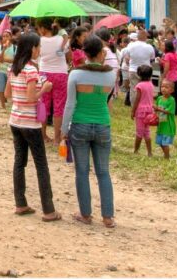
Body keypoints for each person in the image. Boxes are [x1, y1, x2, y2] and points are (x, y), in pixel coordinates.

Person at [62, 35, 117, 227]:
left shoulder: (75, 75)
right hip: (103, 124)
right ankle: (108, 216)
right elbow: (107, 99)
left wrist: (63, 129)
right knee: (104, 172)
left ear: (84, 52)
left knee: (82, 172)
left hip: (80, 124)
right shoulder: (110, 75)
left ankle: (85, 214)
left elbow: (70, 104)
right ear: (101, 53)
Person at [4, 31, 59, 222]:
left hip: (15, 120)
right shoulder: (31, 71)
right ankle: (49, 210)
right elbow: (30, 99)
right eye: (38, 47)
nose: (40, 50)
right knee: (41, 165)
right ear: (32, 48)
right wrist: (44, 89)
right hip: (30, 123)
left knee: (20, 161)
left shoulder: (14, 69)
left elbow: (7, 94)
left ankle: (21, 203)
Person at [37, 19, 68, 145]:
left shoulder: (39, 41)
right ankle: (56, 138)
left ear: (43, 29)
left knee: (43, 104)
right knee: (59, 106)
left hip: (44, 73)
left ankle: (43, 135)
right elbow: (66, 53)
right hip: (61, 73)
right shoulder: (61, 39)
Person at [124, 30, 157, 107]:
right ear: (145, 37)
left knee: (134, 89)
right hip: (146, 71)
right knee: (146, 89)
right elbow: (152, 59)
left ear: (137, 37)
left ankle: (134, 106)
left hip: (133, 70)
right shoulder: (150, 47)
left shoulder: (130, 46)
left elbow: (126, 58)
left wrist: (129, 64)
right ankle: (145, 104)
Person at [130, 64, 156, 156]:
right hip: (149, 110)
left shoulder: (139, 85)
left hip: (141, 111)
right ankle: (149, 152)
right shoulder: (151, 84)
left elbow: (137, 99)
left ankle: (136, 150)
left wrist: (133, 110)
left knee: (139, 132)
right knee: (147, 132)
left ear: (139, 74)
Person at [155, 80, 177, 159]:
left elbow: (168, 111)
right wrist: (155, 115)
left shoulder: (171, 100)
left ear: (172, 90)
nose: (163, 89)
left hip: (168, 125)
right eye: (162, 87)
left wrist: (158, 109)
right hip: (161, 124)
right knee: (160, 142)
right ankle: (166, 154)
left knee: (165, 143)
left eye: (166, 87)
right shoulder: (159, 98)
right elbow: (156, 109)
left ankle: (167, 157)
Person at [161, 39, 177, 116]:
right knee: (176, 94)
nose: (162, 46)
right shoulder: (175, 54)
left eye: (163, 45)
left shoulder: (167, 55)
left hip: (170, 77)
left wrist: (163, 76)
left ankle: (169, 109)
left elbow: (167, 68)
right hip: (176, 76)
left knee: (168, 94)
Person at [0, 30, 16, 109]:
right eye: (4, 36)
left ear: (11, 37)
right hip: (0, 70)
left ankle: (13, 104)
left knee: (12, 88)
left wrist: (3, 59)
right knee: (1, 88)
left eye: (7, 36)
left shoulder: (15, 47)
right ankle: (3, 106)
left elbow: (15, 60)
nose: (5, 38)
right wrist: (4, 49)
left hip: (11, 71)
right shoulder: (0, 47)